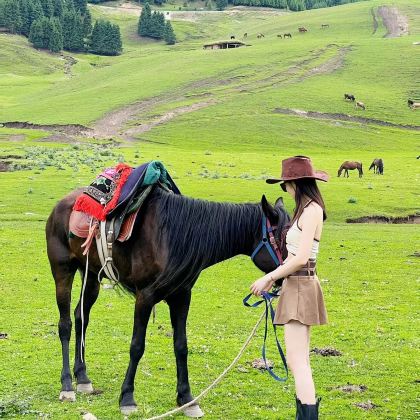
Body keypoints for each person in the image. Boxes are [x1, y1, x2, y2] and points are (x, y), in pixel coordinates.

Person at [250, 156, 329, 420]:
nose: (286, 189)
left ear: (296, 183)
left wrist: (269, 277)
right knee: (300, 361)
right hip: (297, 285)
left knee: (298, 363)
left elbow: (301, 257)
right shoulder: (306, 210)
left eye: (286, 184)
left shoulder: (312, 211)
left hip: (300, 286)